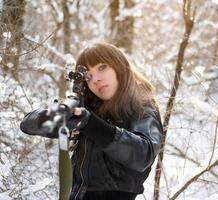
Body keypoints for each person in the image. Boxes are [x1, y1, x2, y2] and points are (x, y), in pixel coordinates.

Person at [20, 42, 163, 200]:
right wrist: (59, 120)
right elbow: (27, 123)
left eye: (102, 67)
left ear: (120, 66)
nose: (96, 80)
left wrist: (91, 124)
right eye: (89, 76)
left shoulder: (142, 108)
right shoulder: (86, 105)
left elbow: (143, 154)